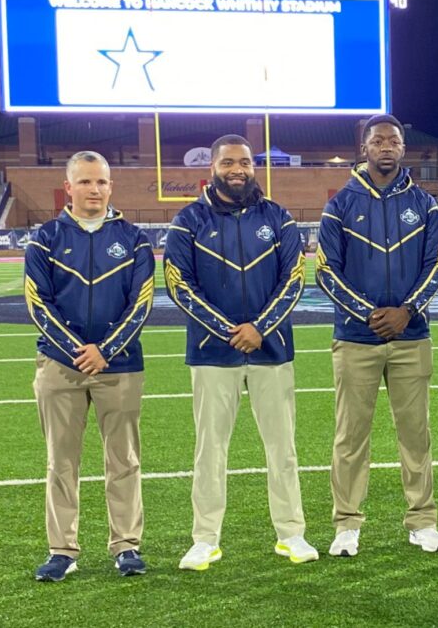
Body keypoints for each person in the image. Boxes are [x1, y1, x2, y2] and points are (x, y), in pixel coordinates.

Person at [164, 134, 316, 569]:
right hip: (214, 353)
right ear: (212, 167)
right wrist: (230, 331)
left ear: (254, 167)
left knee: (282, 449)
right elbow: (178, 284)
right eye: (229, 162)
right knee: (210, 450)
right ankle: (204, 539)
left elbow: (295, 279)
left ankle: (292, 534)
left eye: (245, 162)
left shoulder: (279, 218)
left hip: (273, 351)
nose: (238, 169)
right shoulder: (188, 220)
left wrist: (260, 329)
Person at [315, 114, 438, 556]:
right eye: (378, 140)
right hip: (356, 338)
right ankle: (347, 525)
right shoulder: (339, 204)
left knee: (416, 434)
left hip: (412, 336)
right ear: (365, 148)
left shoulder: (426, 204)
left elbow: (437, 267)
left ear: (402, 147)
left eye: (393, 139)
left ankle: (422, 521)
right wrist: (373, 315)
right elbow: (325, 273)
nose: (386, 146)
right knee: (350, 436)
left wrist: (407, 312)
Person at [25, 151, 154, 581]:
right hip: (60, 366)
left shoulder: (134, 239)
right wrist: (80, 350)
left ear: (111, 186)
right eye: (85, 182)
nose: (94, 189)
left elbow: (142, 303)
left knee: (124, 460)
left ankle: (126, 546)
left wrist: (106, 350)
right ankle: (62, 549)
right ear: (69, 187)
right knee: (61, 461)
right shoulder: (44, 238)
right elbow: (38, 305)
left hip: (120, 366)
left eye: (101, 182)